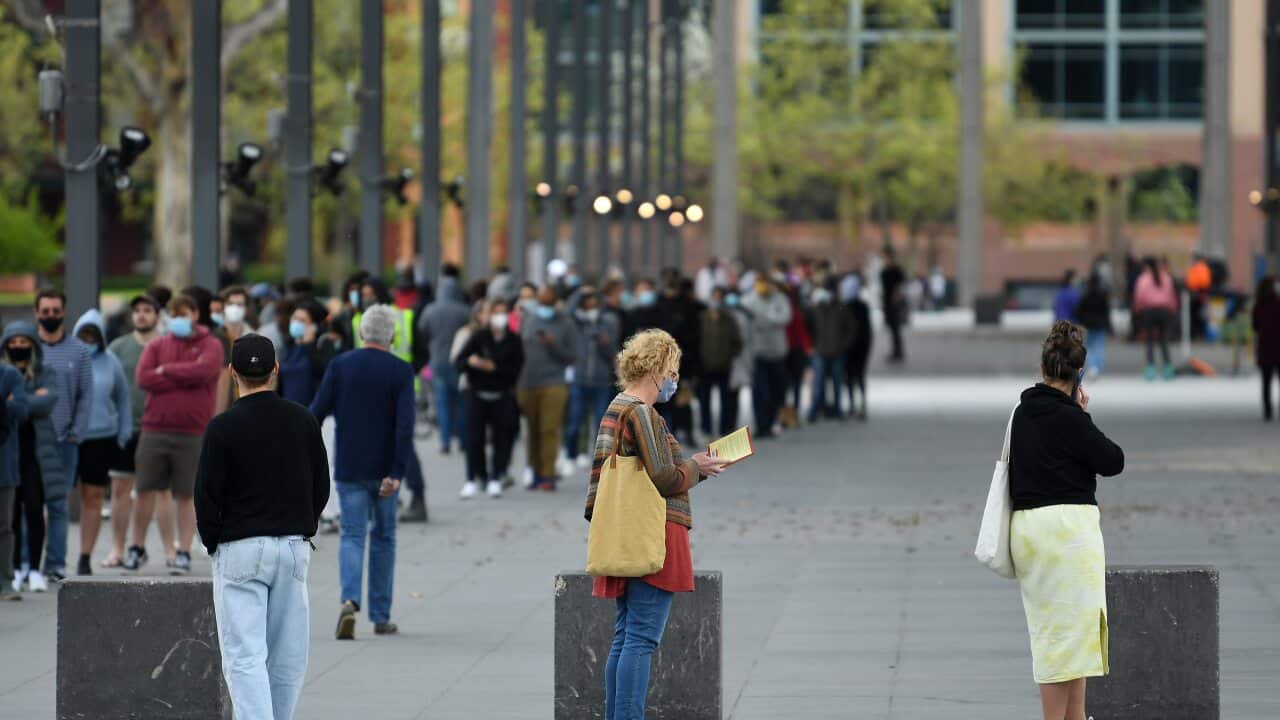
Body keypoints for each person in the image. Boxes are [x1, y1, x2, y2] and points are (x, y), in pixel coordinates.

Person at [584, 329, 726, 720]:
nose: (674, 381)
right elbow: (666, 478)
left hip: (624, 531)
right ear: (656, 370)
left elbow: (598, 482)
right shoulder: (642, 413)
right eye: (672, 372)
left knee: (625, 636)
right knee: (642, 638)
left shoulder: (616, 407)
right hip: (651, 533)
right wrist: (697, 465)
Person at [195, 334, 328, 720]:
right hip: (291, 545)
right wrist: (305, 523)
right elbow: (321, 485)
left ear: (232, 372)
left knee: (244, 655)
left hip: (239, 547)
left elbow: (206, 493)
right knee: (287, 655)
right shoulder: (303, 420)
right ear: (275, 370)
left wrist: (212, 542)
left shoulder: (222, 428)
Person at [1009, 321, 1124, 720]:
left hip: (1029, 532)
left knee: (1062, 634)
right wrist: (1083, 415)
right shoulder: (1071, 419)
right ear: (1077, 376)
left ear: (1044, 369)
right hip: (1068, 533)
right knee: (1065, 639)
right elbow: (1113, 460)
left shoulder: (1021, 414)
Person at [311, 305, 414, 640]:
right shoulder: (400, 371)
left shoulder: (341, 365)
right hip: (385, 469)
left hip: (350, 464)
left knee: (352, 535)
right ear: (393, 335)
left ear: (362, 332)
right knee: (384, 538)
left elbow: (318, 411)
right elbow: (404, 426)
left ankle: (349, 599)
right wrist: (396, 471)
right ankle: (381, 615)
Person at [130, 295, 225, 575]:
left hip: (192, 431)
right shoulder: (158, 344)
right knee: (145, 489)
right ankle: (136, 547)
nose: (178, 319)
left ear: (196, 314)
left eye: (183, 313)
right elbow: (144, 377)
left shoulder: (212, 345)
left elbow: (205, 371)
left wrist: (167, 371)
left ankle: (183, 550)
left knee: (186, 494)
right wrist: (185, 378)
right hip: (154, 428)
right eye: (174, 314)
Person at [32, 288, 93, 583]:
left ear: (63, 312)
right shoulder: (28, 349)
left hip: (64, 442)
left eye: (56, 310)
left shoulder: (79, 351)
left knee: (57, 506)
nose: (51, 316)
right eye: (45, 311)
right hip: (31, 440)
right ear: (36, 313)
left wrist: (76, 434)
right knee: (28, 504)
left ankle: (55, 563)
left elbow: (85, 396)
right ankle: (24, 564)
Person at [105, 295, 170, 569]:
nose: (141, 315)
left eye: (147, 310)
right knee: (121, 488)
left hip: (157, 428)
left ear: (157, 315)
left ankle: (164, 549)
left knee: (158, 490)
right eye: (137, 311)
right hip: (125, 428)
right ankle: (118, 549)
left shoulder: (168, 346)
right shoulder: (118, 347)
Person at [70, 309, 132, 576]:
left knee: (93, 495)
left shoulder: (110, 362)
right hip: (70, 438)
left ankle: (85, 555)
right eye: (84, 334)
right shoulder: (67, 359)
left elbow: (122, 398)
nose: (88, 339)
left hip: (101, 438)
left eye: (93, 334)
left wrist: (123, 432)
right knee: (60, 498)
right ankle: (50, 558)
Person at [2, 322, 62, 594]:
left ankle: (35, 568)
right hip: (10, 450)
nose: (18, 348)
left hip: (38, 451)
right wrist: (20, 402)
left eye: (23, 342)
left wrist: (17, 400)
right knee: (10, 515)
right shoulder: (5, 374)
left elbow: (46, 401)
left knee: (36, 509)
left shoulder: (45, 371)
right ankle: (15, 568)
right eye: (12, 343)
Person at [454, 299, 525, 499]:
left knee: (502, 438)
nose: (499, 317)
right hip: (475, 394)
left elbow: (516, 370)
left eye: (503, 313)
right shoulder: (479, 336)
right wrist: (471, 362)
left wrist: (494, 369)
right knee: (473, 438)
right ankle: (473, 478)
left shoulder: (513, 340)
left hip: (502, 394)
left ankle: (496, 478)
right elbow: (459, 361)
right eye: (496, 312)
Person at [518, 286, 578, 491]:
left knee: (549, 429)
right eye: (541, 303)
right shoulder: (529, 321)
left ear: (555, 303)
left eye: (548, 303)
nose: (545, 307)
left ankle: (548, 474)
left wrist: (553, 345)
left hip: (554, 382)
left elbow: (573, 356)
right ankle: (534, 472)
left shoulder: (566, 324)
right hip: (527, 382)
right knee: (532, 430)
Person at [416, 266, 471, 457]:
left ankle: (445, 441)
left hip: (437, 360)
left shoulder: (430, 310)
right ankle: (463, 439)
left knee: (442, 402)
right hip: (458, 361)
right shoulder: (465, 311)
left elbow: (422, 332)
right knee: (461, 401)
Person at [564, 288, 621, 471]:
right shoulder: (577, 322)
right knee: (575, 421)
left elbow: (611, 348)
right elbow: (567, 313)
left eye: (592, 299)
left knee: (600, 422)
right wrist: (577, 294)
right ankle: (570, 454)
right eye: (586, 300)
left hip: (601, 380)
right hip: (579, 379)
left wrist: (601, 336)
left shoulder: (609, 320)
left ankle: (600, 459)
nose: (590, 303)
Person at [741, 276, 791, 439]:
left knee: (776, 390)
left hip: (777, 352)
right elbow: (746, 324)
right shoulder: (748, 300)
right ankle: (761, 424)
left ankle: (771, 422)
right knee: (760, 391)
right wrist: (767, 320)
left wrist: (762, 319)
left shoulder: (780, 299)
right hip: (758, 352)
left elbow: (785, 318)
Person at [697, 287, 744, 437]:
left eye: (719, 297)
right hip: (704, 366)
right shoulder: (701, 318)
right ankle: (706, 429)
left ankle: (726, 430)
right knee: (704, 401)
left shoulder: (729, 319)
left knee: (727, 400)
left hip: (725, 366)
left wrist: (730, 355)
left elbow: (738, 342)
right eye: (714, 297)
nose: (716, 301)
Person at [0, 357, 27, 600]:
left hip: (4, 464)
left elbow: (22, 408)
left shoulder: (10, 375)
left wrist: (6, 404)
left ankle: (5, 582)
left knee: (4, 526)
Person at [278, 302, 336, 407]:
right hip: (288, 409)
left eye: (302, 320)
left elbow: (326, 372)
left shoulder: (323, 343)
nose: (296, 323)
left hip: (311, 411)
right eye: (295, 318)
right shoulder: (290, 345)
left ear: (314, 325)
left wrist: (309, 345)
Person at [808, 286, 853, 421]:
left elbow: (850, 328)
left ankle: (837, 409)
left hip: (837, 351)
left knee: (837, 382)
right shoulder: (814, 310)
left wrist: (843, 345)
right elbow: (808, 328)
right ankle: (815, 409)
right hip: (819, 352)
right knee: (818, 383)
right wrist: (812, 346)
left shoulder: (840, 309)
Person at [1131, 257, 1178, 381]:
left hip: (1148, 311)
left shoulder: (1143, 279)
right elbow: (1172, 296)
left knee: (1150, 341)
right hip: (1164, 311)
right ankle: (1168, 369)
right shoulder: (1166, 278)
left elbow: (1139, 296)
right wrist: (1172, 310)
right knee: (1163, 340)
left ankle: (1151, 369)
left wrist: (1137, 309)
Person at [840, 274, 872, 420]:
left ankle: (857, 405)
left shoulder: (849, 307)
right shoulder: (861, 307)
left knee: (853, 377)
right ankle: (858, 405)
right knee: (856, 377)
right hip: (856, 348)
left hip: (853, 348)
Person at [1252, 275, 1280, 421]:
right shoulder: (1278, 304)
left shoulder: (1258, 305)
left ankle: (1267, 411)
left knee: (1266, 382)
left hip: (1265, 348)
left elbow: (1255, 326)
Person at [1075, 274, 1112, 380]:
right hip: (1100, 324)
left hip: (1088, 324)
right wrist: (1109, 326)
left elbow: (1080, 311)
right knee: (1099, 346)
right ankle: (1097, 368)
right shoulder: (1103, 295)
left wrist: (1080, 322)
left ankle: (1091, 367)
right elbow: (1106, 312)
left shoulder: (1085, 295)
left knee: (1089, 347)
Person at [880, 249, 907, 363]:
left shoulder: (896, 270)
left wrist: (897, 298)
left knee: (896, 328)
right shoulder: (883, 271)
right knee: (891, 329)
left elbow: (900, 286)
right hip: (887, 302)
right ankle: (895, 351)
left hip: (895, 303)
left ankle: (898, 352)